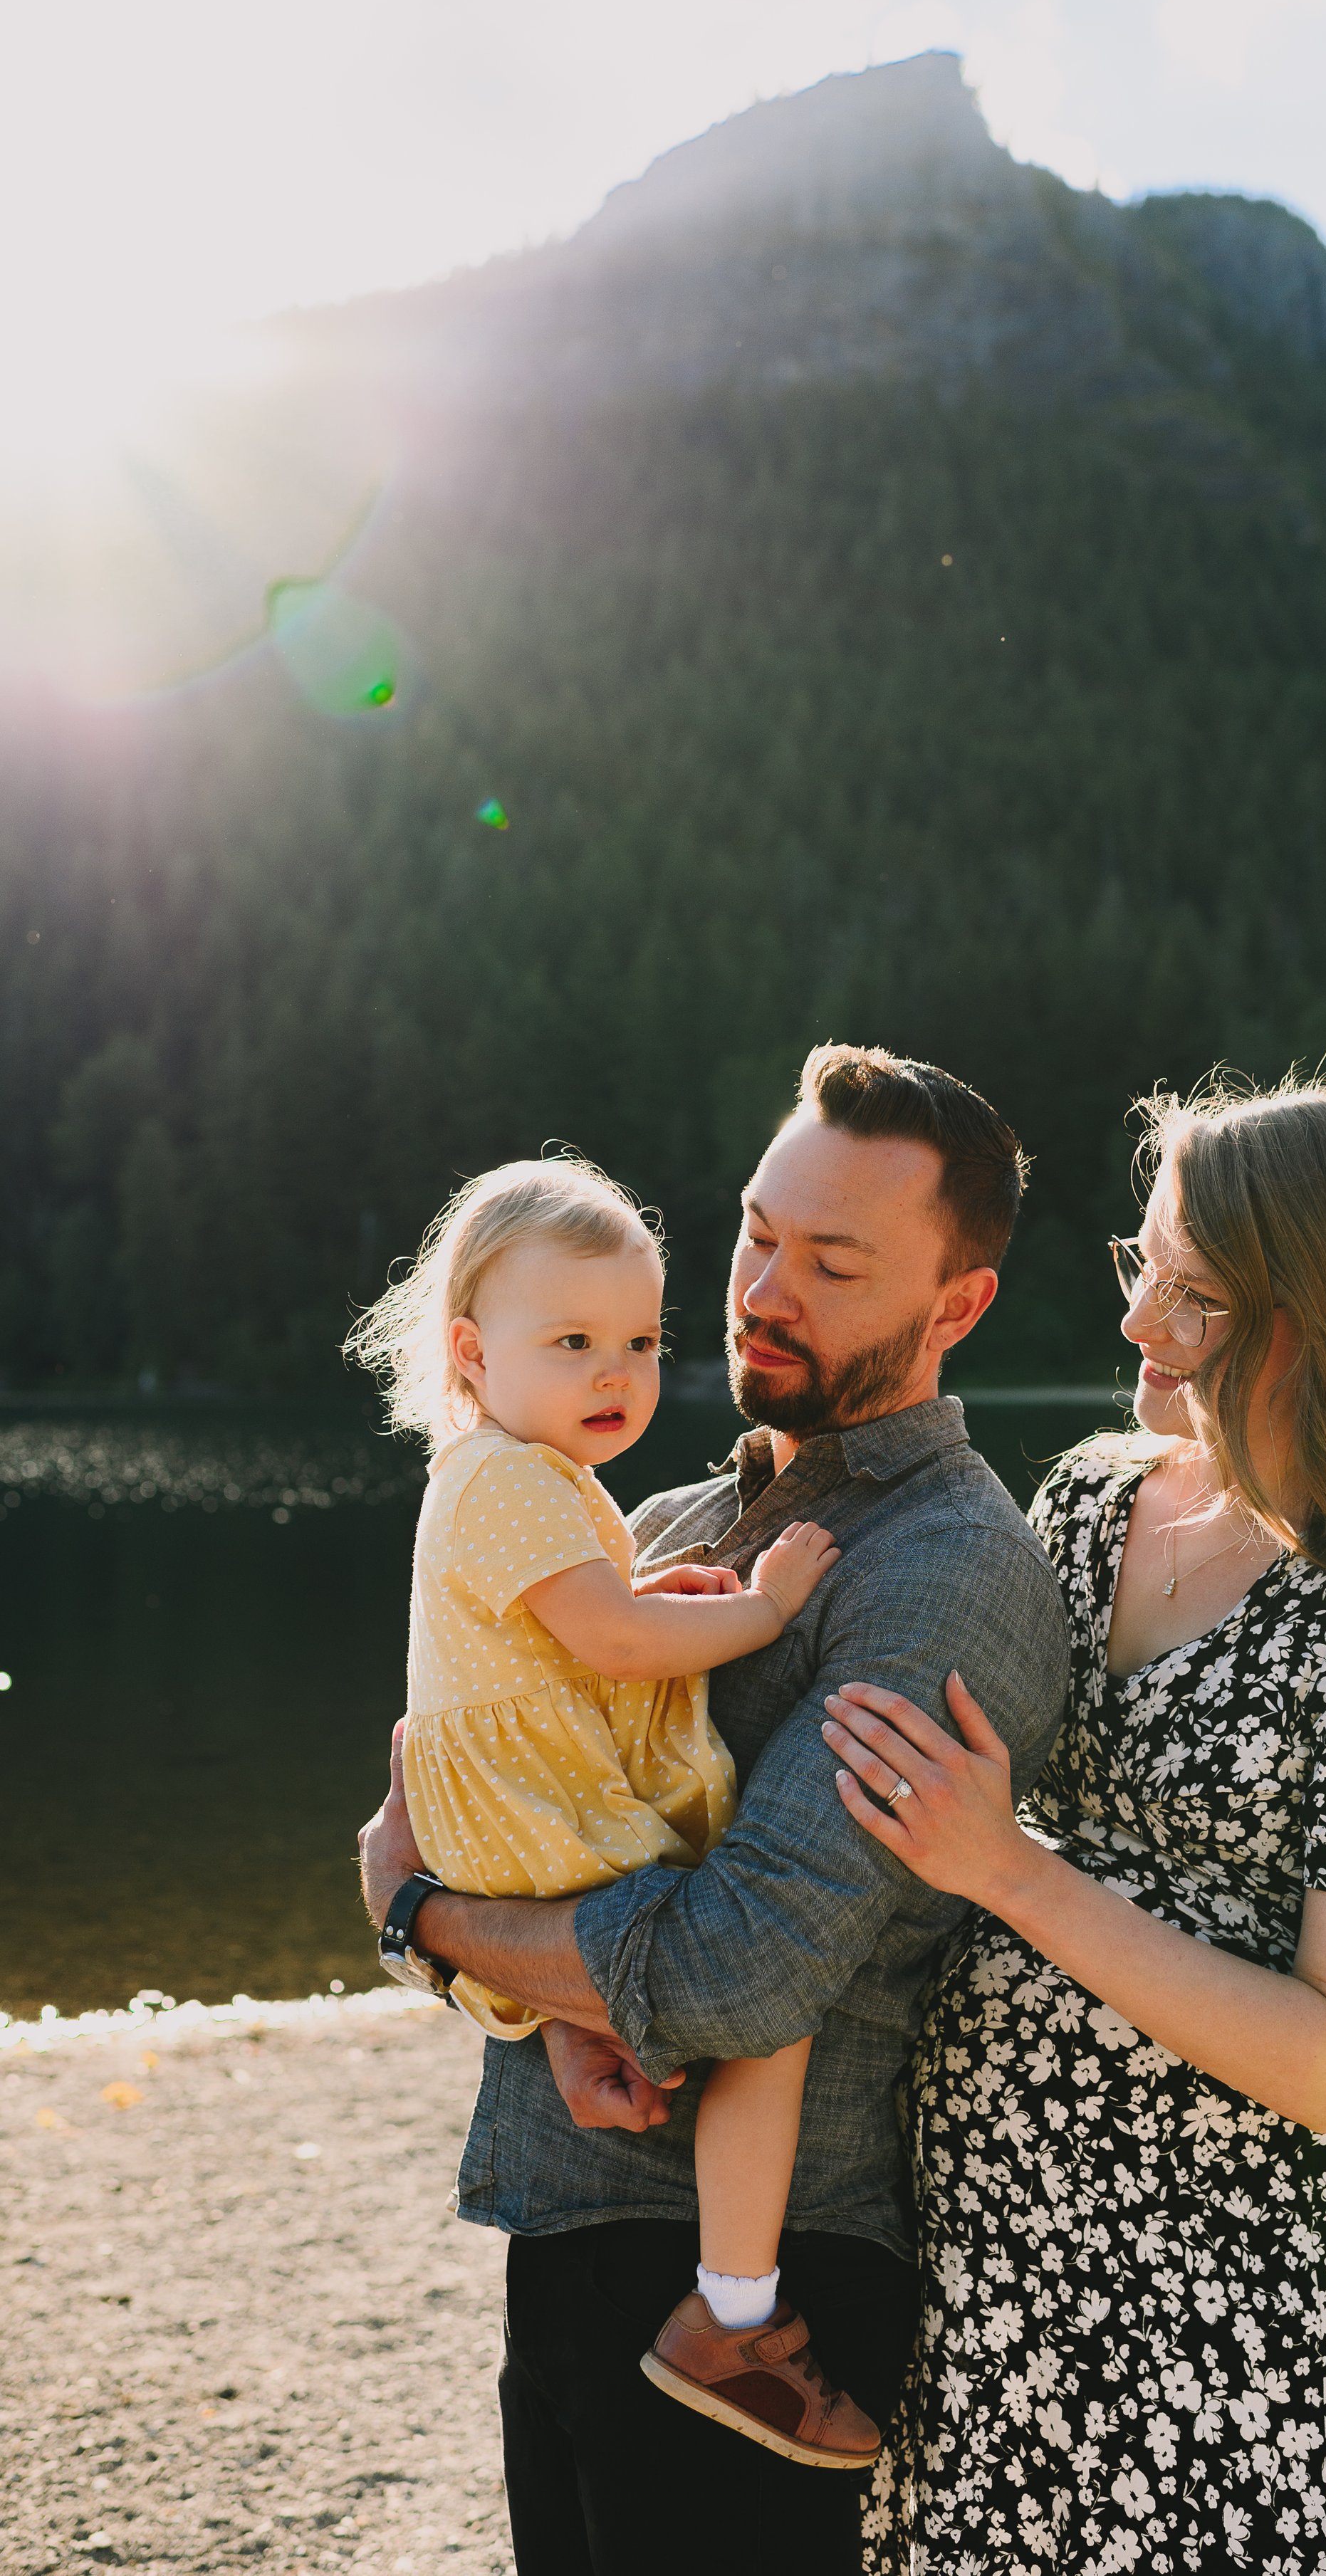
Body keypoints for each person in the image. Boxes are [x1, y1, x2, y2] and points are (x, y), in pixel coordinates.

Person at [820, 1074, 1326, 2576]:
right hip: (981, 2292)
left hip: (1217, 2344)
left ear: (1316, 1320)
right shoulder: (1088, 1506)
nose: (1138, 1322)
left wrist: (1011, 1871)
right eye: (1138, 1265)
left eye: (1189, 1294)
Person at [357, 1045, 1072, 2575]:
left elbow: (744, 1965)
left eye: (831, 1260)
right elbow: (495, 1792)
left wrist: (422, 1920)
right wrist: (498, 1962)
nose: (763, 1286)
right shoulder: (668, 1522)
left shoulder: (941, 1570)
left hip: (758, 2293)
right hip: (574, 2242)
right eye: (757, 1231)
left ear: (955, 1307)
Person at [345, 1153, 878, 2465]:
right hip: (540, 1814)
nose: (614, 1373)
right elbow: (616, 1642)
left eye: (640, 1340)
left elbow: (585, 1624)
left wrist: (658, 1589)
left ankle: (587, 2035)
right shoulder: (516, 1481)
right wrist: (764, 1601)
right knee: (770, 2007)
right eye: (572, 1340)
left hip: (509, 1816)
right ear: (473, 1351)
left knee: (646, 1990)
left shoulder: (503, 1473)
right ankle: (738, 2312)